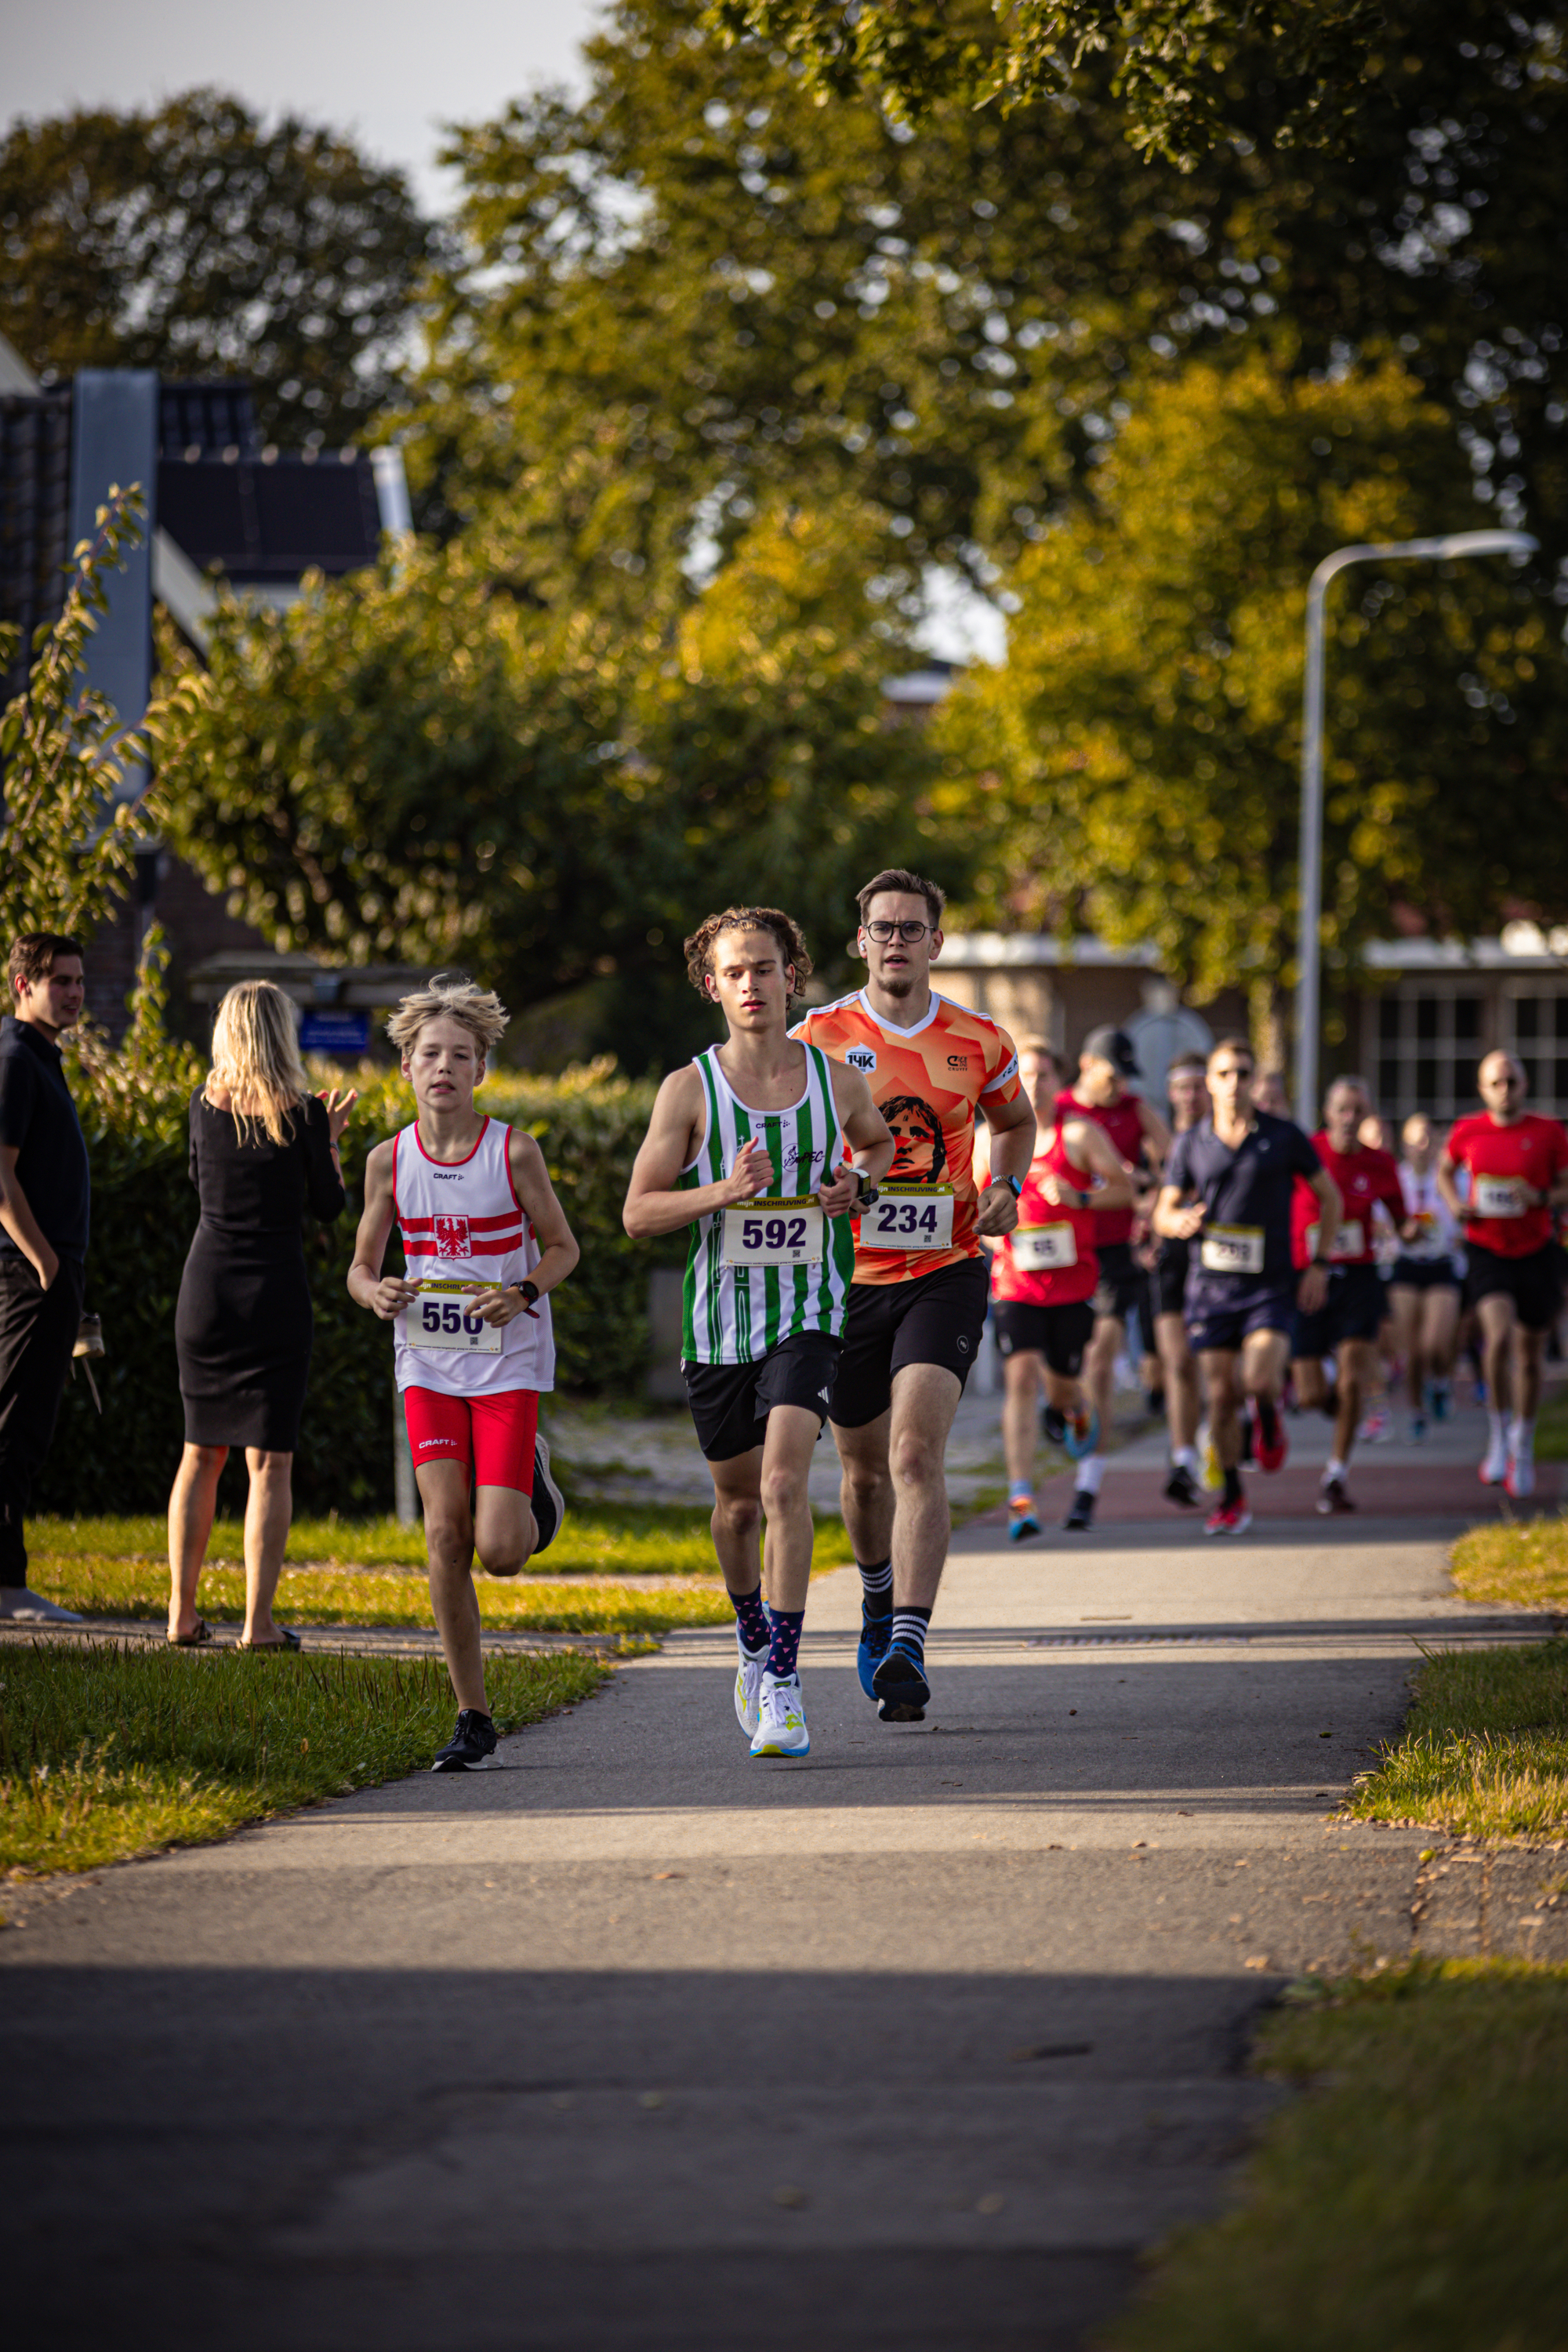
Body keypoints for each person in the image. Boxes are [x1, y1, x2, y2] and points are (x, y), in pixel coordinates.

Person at [624, 908, 892, 1759]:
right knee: (736, 1507)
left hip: (808, 1314)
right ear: (712, 987)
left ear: (792, 977)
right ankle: (748, 1634)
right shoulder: (687, 1090)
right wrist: (721, 1193)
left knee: (783, 1485)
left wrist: (858, 1186)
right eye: (734, 972)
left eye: (764, 969)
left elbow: (877, 1148)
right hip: (717, 1329)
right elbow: (637, 1214)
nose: (751, 985)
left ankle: (782, 1678)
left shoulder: (835, 1082)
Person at [793, 869, 1034, 1721]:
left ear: (936, 942)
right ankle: (873, 1592)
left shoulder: (980, 1040)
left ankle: (907, 1640)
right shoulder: (815, 1036)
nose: (895, 941)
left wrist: (1007, 1186)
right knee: (861, 1476)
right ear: (859, 942)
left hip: (946, 1269)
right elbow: (780, 1129)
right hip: (846, 1281)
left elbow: (1015, 1123)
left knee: (911, 1455)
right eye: (881, 929)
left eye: (911, 928)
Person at [349, 975, 579, 1769]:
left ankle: (532, 1484)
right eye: (428, 1054)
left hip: (507, 1359)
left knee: (502, 1552)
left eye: (459, 1055)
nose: (442, 1067)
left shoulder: (512, 1150)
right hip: (428, 1365)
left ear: (480, 1069)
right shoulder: (388, 1161)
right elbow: (358, 1268)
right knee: (443, 1533)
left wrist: (521, 1291)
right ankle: (471, 1714)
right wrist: (375, 1290)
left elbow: (563, 1249)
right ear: (406, 1068)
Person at [167, 982, 355, 1649]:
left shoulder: (202, 1104)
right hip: (274, 1295)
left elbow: (198, 1179)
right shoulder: (303, 1115)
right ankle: (258, 1624)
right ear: (281, 1031)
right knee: (268, 1464)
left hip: (206, 1290)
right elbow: (330, 1207)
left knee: (199, 1454)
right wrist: (329, 1141)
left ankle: (181, 1614)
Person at [1153, 1036, 1341, 1535]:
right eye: (1224, 1074)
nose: (1234, 1083)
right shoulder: (1191, 1143)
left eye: (1242, 1073)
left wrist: (1320, 1263)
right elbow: (1164, 1210)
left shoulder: (1283, 1136)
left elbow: (1330, 1198)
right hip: (1211, 1288)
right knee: (1220, 1397)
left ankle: (1268, 1410)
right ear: (1210, 1083)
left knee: (1257, 1380)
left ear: (1253, 1081)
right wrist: (1178, 1222)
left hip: (1271, 1284)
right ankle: (1233, 1495)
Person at [976, 1045, 1135, 1540]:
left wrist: (1080, 1197)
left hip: (1072, 1285)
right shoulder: (988, 1140)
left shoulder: (1079, 1135)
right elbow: (972, 1204)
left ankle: (1076, 1407)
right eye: (1026, 1075)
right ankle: (1020, 1497)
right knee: (1020, 1377)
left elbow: (1125, 1191)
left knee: (1061, 1385)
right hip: (1015, 1283)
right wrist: (994, 1237)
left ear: (1059, 1081)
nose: (1035, 1084)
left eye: (1045, 1075)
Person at [0, 933, 90, 1624]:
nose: (73, 992)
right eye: (58, 980)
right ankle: (7, 1588)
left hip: (48, 1274)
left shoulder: (41, 1058)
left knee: (28, 1424)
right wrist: (45, 1263)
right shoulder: (14, 1060)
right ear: (22, 984)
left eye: (78, 981)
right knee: (13, 1425)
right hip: (28, 1274)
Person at [1054, 1028, 1171, 1530]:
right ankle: (1065, 1405)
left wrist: (1150, 1197)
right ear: (1087, 1064)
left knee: (1101, 1359)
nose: (1119, 1085)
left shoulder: (1135, 1110)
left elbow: (1173, 1162)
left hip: (1113, 1253)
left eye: (1126, 1076)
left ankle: (1087, 1484)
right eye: (1111, 1074)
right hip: (1056, 1256)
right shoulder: (1055, 1108)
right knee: (1060, 1366)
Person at [1438, 1051, 1568, 1497]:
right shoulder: (1468, 1130)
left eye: (1511, 1082)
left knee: (1530, 1356)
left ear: (1524, 1084)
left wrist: (1541, 1197)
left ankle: (1524, 1443)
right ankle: (1497, 1433)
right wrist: (1455, 1205)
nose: (1505, 1091)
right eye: (1496, 1083)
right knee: (1497, 1338)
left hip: (1536, 1249)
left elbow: (1566, 1185)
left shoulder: (1549, 1132)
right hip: (1487, 1246)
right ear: (1482, 1089)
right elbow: (1444, 1170)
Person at [1288, 1077, 1409, 1514]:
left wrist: (1411, 1229)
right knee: (1309, 1396)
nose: (1349, 1119)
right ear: (1327, 1111)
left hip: (1359, 1277)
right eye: (1342, 1109)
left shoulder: (1380, 1163)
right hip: (1309, 1277)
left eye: (1358, 1110)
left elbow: (1401, 1218)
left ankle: (1335, 1473)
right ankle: (1347, 1409)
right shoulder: (1305, 1151)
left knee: (1353, 1376)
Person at [1148, 1050, 1210, 1508]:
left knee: (1216, 1369)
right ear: (1171, 1094)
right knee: (1179, 1363)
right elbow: (1144, 1200)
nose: (1190, 1096)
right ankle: (1182, 1458)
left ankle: (1218, 1430)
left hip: (1218, 1262)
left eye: (1197, 1086)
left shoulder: (1222, 1140)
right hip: (1171, 1260)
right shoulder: (1158, 1143)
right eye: (1182, 1087)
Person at [1388, 1112, 1463, 1440]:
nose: (1422, 1146)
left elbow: (1464, 1215)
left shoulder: (1450, 1179)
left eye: (1428, 1138)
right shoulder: (1396, 1178)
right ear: (1405, 1145)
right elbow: (1381, 1220)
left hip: (1441, 1263)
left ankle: (1441, 1381)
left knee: (1435, 1343)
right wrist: (1403, 1232)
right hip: (1406, 1264)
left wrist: (1452, 1232)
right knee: (1412, 1351)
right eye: (1415, 1139)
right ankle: (1416, 1409)